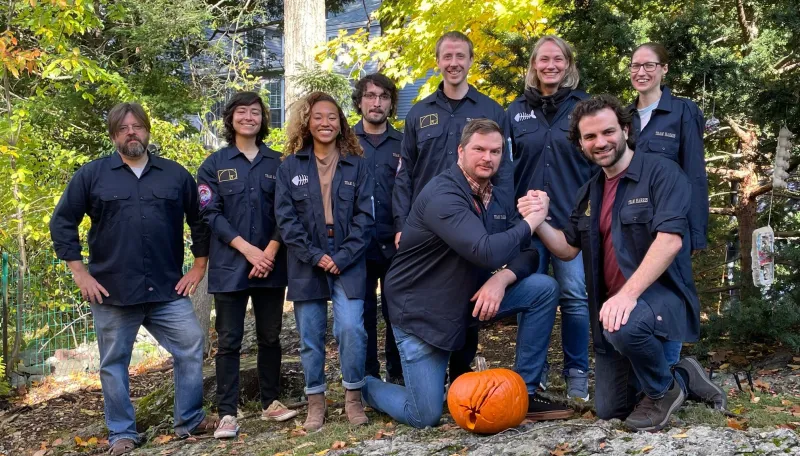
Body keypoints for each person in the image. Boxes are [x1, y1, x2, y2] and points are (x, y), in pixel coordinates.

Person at [518, 95, 726, 432]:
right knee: (610, 409)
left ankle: (663, 390)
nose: (600, 142)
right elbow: (568, 250)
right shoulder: (589, 192)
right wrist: (538, 220)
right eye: (589, 136)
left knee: (623, 328)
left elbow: (670, 241)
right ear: (581, 144)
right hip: (615, 312)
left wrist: (627, 296)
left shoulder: (661, 173)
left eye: (608, 132)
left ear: (626, 130)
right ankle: (683, 375)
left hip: (658, 301)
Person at [363, 119, 574, 428]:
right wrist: (533, 220)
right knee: (425, 414)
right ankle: (365, 386)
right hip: (423, 313)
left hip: (466, 299)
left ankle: (525, 393)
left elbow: (527, 252)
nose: (487, 158)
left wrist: (501, 279)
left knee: (543, 288)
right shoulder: (443, 194)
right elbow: (485, 251)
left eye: (495, 151)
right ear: (460, 151)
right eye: (479, 149)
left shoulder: (496, 194)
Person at [49, 103, 214, 455]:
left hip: (167, 289)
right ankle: (122, 433)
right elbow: (62, 222)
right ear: (113, 136)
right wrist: (80, 274)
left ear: (147, 130)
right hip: (112, 291)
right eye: (123, 128)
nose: (131, 133)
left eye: (137, 126)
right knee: (113, 365)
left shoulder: (174, 175)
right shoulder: (92, 175)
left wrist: (199, 266)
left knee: (191, 344)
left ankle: (189, 420)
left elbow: (200, 220)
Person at [393, 30, 512, 383]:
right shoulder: (418, 113)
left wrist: (498, 220)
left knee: (466, 291)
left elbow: (504, 171)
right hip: (428, 229)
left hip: (473, 223)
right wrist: (401, 224)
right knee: (424, 295)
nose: (454, 63)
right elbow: (405, 174)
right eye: (447, 56)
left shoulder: (492, 110)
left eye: (461, 56)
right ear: (438, 61)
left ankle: (461, 379)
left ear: (471, 60)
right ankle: (405, 375)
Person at [196, 92, 296, 439]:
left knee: (270, 336)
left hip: (271, 264)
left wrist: (269, 251)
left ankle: (271, 402)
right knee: (229, 341)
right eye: (242, 112)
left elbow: (288, 211)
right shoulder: (213, 164)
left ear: (263, 119)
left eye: (255, 112)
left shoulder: (279, 163)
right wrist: (248, 251)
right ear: (230, 118)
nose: (249, 117)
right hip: (230, 266)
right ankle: (227, 413)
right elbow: (210, 214)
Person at [275, 92, 374, 431]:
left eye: (332, 117)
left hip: (349, 255)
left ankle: (353, 398)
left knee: (351, 328)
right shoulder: (290, 167)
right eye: (318, 117)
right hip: (306, 257)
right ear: (307, 123)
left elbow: (366, 218)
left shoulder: (357, 165)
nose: (325, 123)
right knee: (310, 336)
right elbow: (286, 221)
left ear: (341, 124)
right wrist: (316, 255)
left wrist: (342, 256)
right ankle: (315, 402)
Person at [506, 35, 593, 400]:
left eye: (558, 59)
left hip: (569, 222)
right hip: (526, 226)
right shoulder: (514, 112)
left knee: (574, 296)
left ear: (568, 64)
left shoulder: (584, 108)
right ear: (534, 65)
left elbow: (596, 165)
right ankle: (532, 376)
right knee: (531, 296)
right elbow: (504, 169)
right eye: (544, 59)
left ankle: (577, 373)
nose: (551, 65)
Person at [628, 42, 708, 254]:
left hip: (669, 226)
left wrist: (696, 235)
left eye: (649, 65)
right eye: (635, 66)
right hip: (629, 227)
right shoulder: (623, 117)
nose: (641, 72)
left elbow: (694, 173)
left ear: (664, 68)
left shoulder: (683, 111)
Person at [351, 74, 404, 385]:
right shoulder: (345, 142)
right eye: (370, 96)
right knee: (363, 312)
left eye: (383, 97)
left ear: (391, 104)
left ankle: (397, 374)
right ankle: (368, 377)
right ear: (360, 101)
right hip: (357, 243)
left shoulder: (403, 144)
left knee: (397, 310)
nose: (376, 103)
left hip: (395, 241)